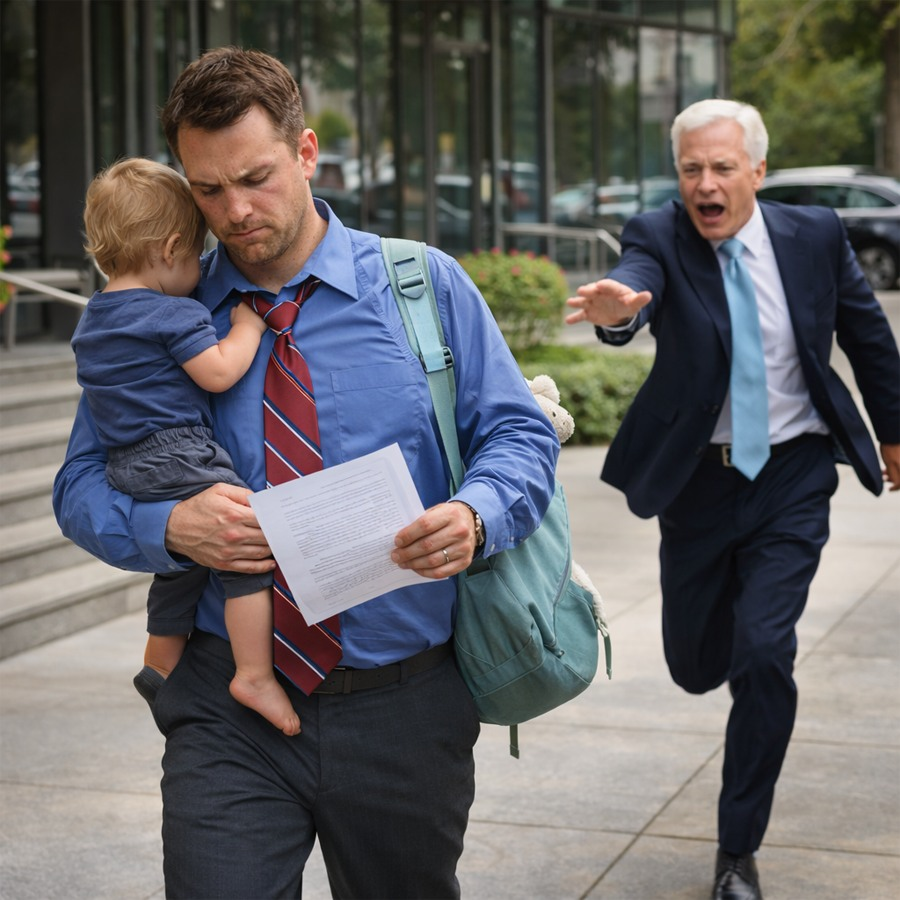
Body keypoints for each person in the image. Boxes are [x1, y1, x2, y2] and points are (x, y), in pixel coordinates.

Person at [54, 46, 559, 899]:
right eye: (208, 190)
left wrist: (475, 516)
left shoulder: (421, 286)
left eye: (255, 178)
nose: (236, 211)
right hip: (226, 703)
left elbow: (516, 432)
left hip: (405, 702)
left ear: (306, 151)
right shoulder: (161, 319)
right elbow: (78, 486)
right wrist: (168, 528)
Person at [566, 98, 900, 900]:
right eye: (690, 170)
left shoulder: (814, 234)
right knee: (693, 665)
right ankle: (723, 662)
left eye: (721, 168)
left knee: (763, 654)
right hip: (699, 484)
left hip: (793, 473)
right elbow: (634, 287)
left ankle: (736, 854)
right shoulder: (658, 234)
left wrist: (893, 431)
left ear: (756, 170)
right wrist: (617, 313)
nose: (705, 185)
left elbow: (866, 334)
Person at [75, 156, 301, 737]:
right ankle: (253, 673)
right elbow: (219, 373)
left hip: (126, 461)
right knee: (243, 555)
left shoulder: (93, 320)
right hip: (179, 449)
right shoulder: (173, 312)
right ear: (174, 248)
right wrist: (249, 324)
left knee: (182, 566)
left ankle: (160, 663)